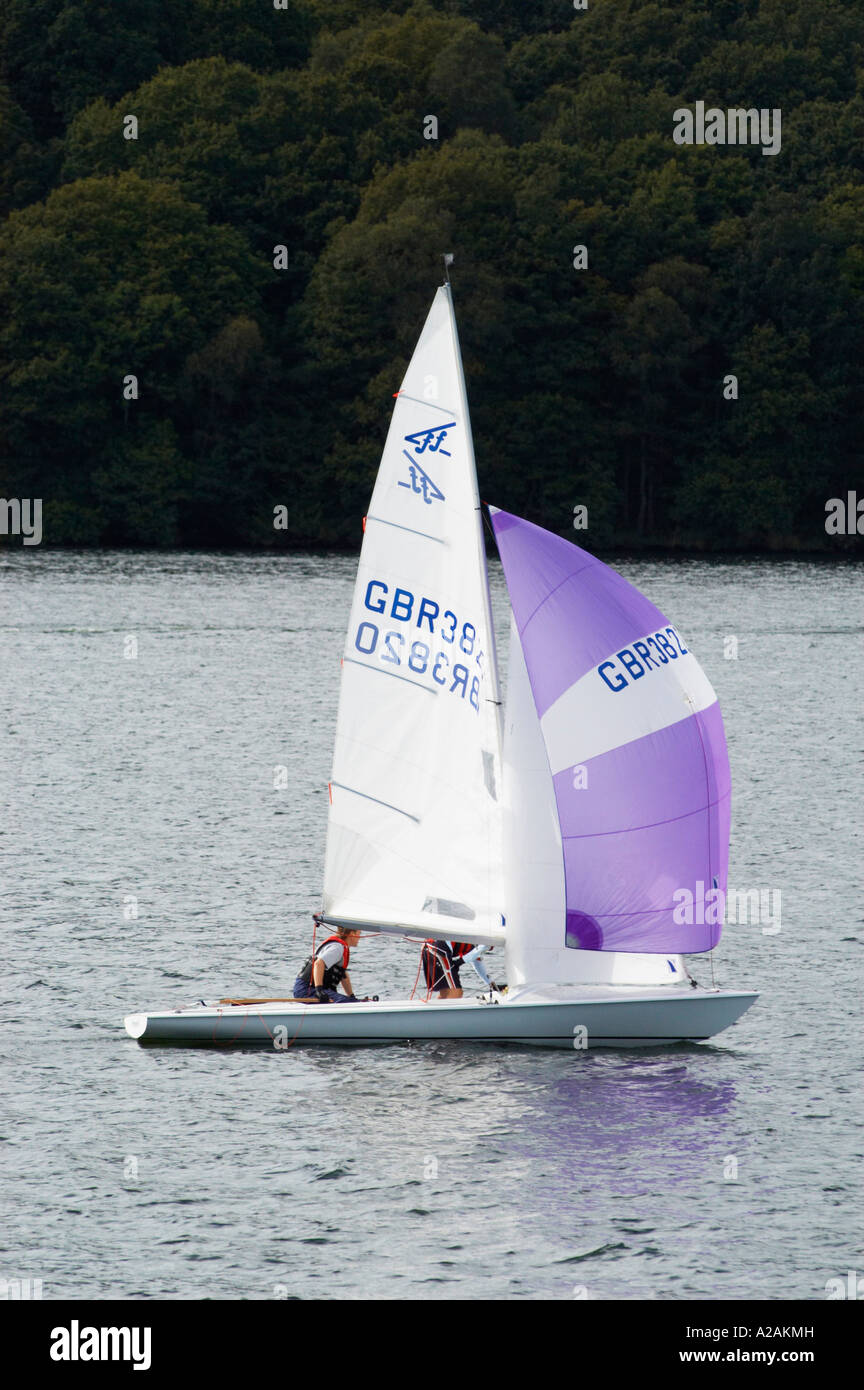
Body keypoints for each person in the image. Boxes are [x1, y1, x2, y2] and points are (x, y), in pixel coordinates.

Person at [293, 925, 364, 1003]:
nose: (360, 937)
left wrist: (352, 996)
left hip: (311, 988)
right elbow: (318, 964)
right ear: (352, 933)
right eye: (359, 934)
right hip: (306, 989)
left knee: (351, 1001)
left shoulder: (339, 946)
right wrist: (319, 991)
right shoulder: (337, 948)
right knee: (347, 1003)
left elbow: (343, 976)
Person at [420, 939, 494, 999]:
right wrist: (459, 962)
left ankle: (435, 1015)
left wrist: (491, 985)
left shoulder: (474, 948)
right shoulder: (483, 942)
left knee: (446, 992)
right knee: (457, 992)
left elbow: (478, 965)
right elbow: (482, 948)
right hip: (440, 948)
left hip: (429, 946)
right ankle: (445, 1016)